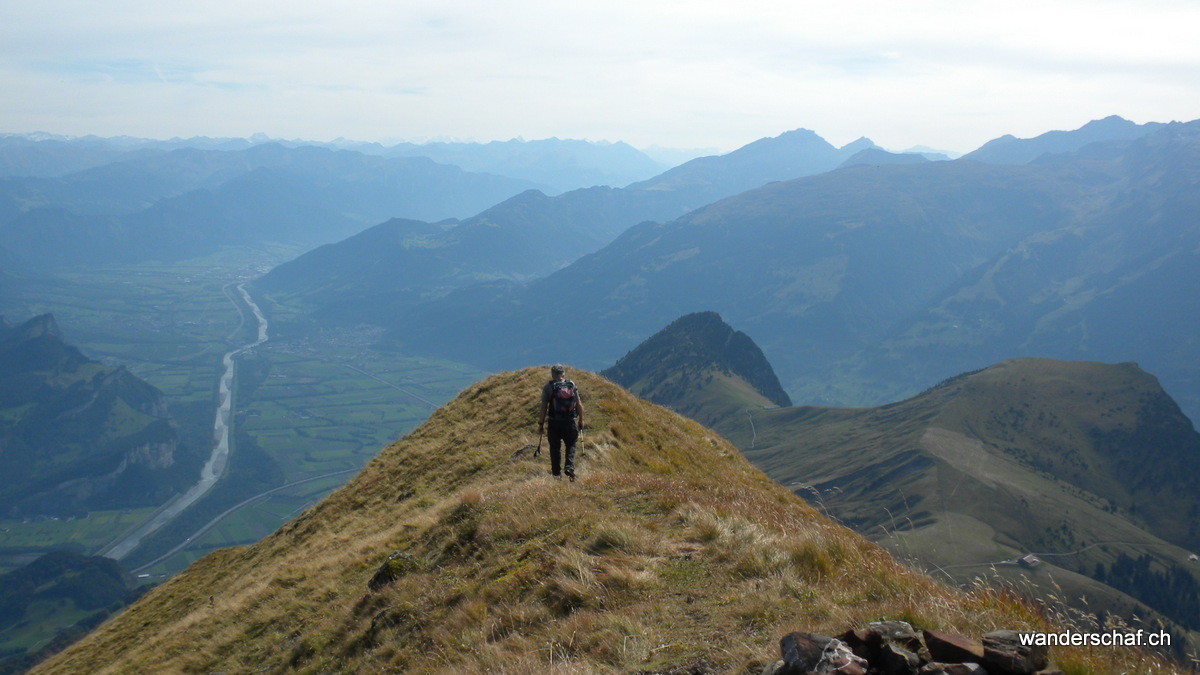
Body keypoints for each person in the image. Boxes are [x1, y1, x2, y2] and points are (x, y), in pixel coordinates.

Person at [538, 364, 584, 480]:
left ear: (552, 374)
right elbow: (579, 404)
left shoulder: (548, 387)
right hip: (569, 421)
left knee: (554, 448)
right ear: (563, 374)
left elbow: (543, 407)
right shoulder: (571, 385)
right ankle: (569, 467)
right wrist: (581, 420)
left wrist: (541, 424)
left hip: (554, 423)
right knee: (571, 443)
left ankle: (556, 475)